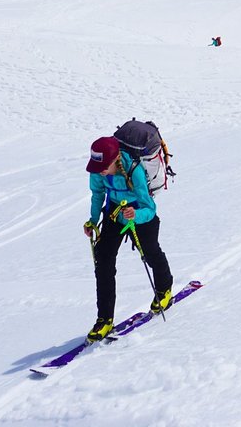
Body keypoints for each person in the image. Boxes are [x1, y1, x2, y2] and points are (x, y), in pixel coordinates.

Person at [83, 135, 173, 342]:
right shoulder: (98, 170)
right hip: (115, 211)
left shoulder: (135, 171)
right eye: (97, 166)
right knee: (103, 261)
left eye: (104, 165)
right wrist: (93, 220)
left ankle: (164, 288)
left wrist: (136, 215)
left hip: (139, 211)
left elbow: (150, 208)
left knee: (151, 253)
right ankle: (104, 319)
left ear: (115, 159)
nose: (100, 170)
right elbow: (97, 194)